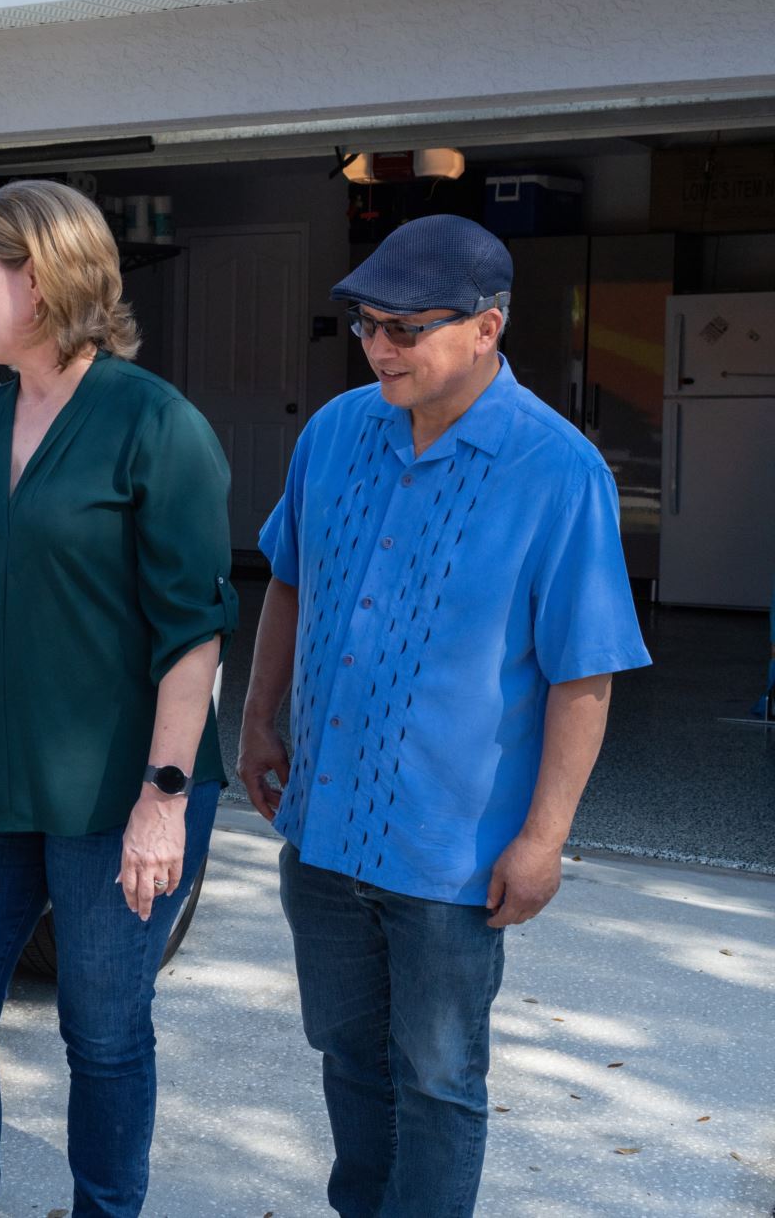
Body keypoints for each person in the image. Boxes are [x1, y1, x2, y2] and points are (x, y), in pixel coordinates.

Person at [236, 214, 652, 1217]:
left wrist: (544, 836)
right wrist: (255, 720)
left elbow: (581, 672)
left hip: (449, 856)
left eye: (405, 327)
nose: (379, 346)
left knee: (434, 1077)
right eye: (366, 323)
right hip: (324, 832)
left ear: (485, 327)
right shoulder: (332, 433)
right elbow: (287, 582)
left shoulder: (558, 473)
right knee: (346, 1056)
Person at [0, 179, 238, 1218]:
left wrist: (164, 796)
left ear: (36, 279)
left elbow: (193, 631)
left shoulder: (153, 424)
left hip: (118, 788)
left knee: (101, 1025)